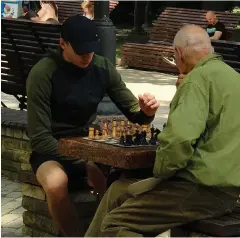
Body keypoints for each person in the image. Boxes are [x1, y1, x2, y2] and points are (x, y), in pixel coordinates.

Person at [85, 24, 240, 237]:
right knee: (117, 191)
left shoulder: (197, 80)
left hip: (200, 189)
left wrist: (158, 172)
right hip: (224, 189)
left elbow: (178, 142)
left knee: (116, 223)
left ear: (178, 53)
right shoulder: (235, 79)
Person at [26, 15, 159, 237]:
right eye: (80, 51)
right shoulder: (43, 73)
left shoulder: (102, 67)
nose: (87, 56)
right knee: (56, 183)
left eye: (91, 49)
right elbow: (39, 138)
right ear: (62, 44)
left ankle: (106, 231)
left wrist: (147, 112)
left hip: (88, 143)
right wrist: (83, 160)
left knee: (122, 180)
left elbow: (135, 114)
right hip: (51, 148)